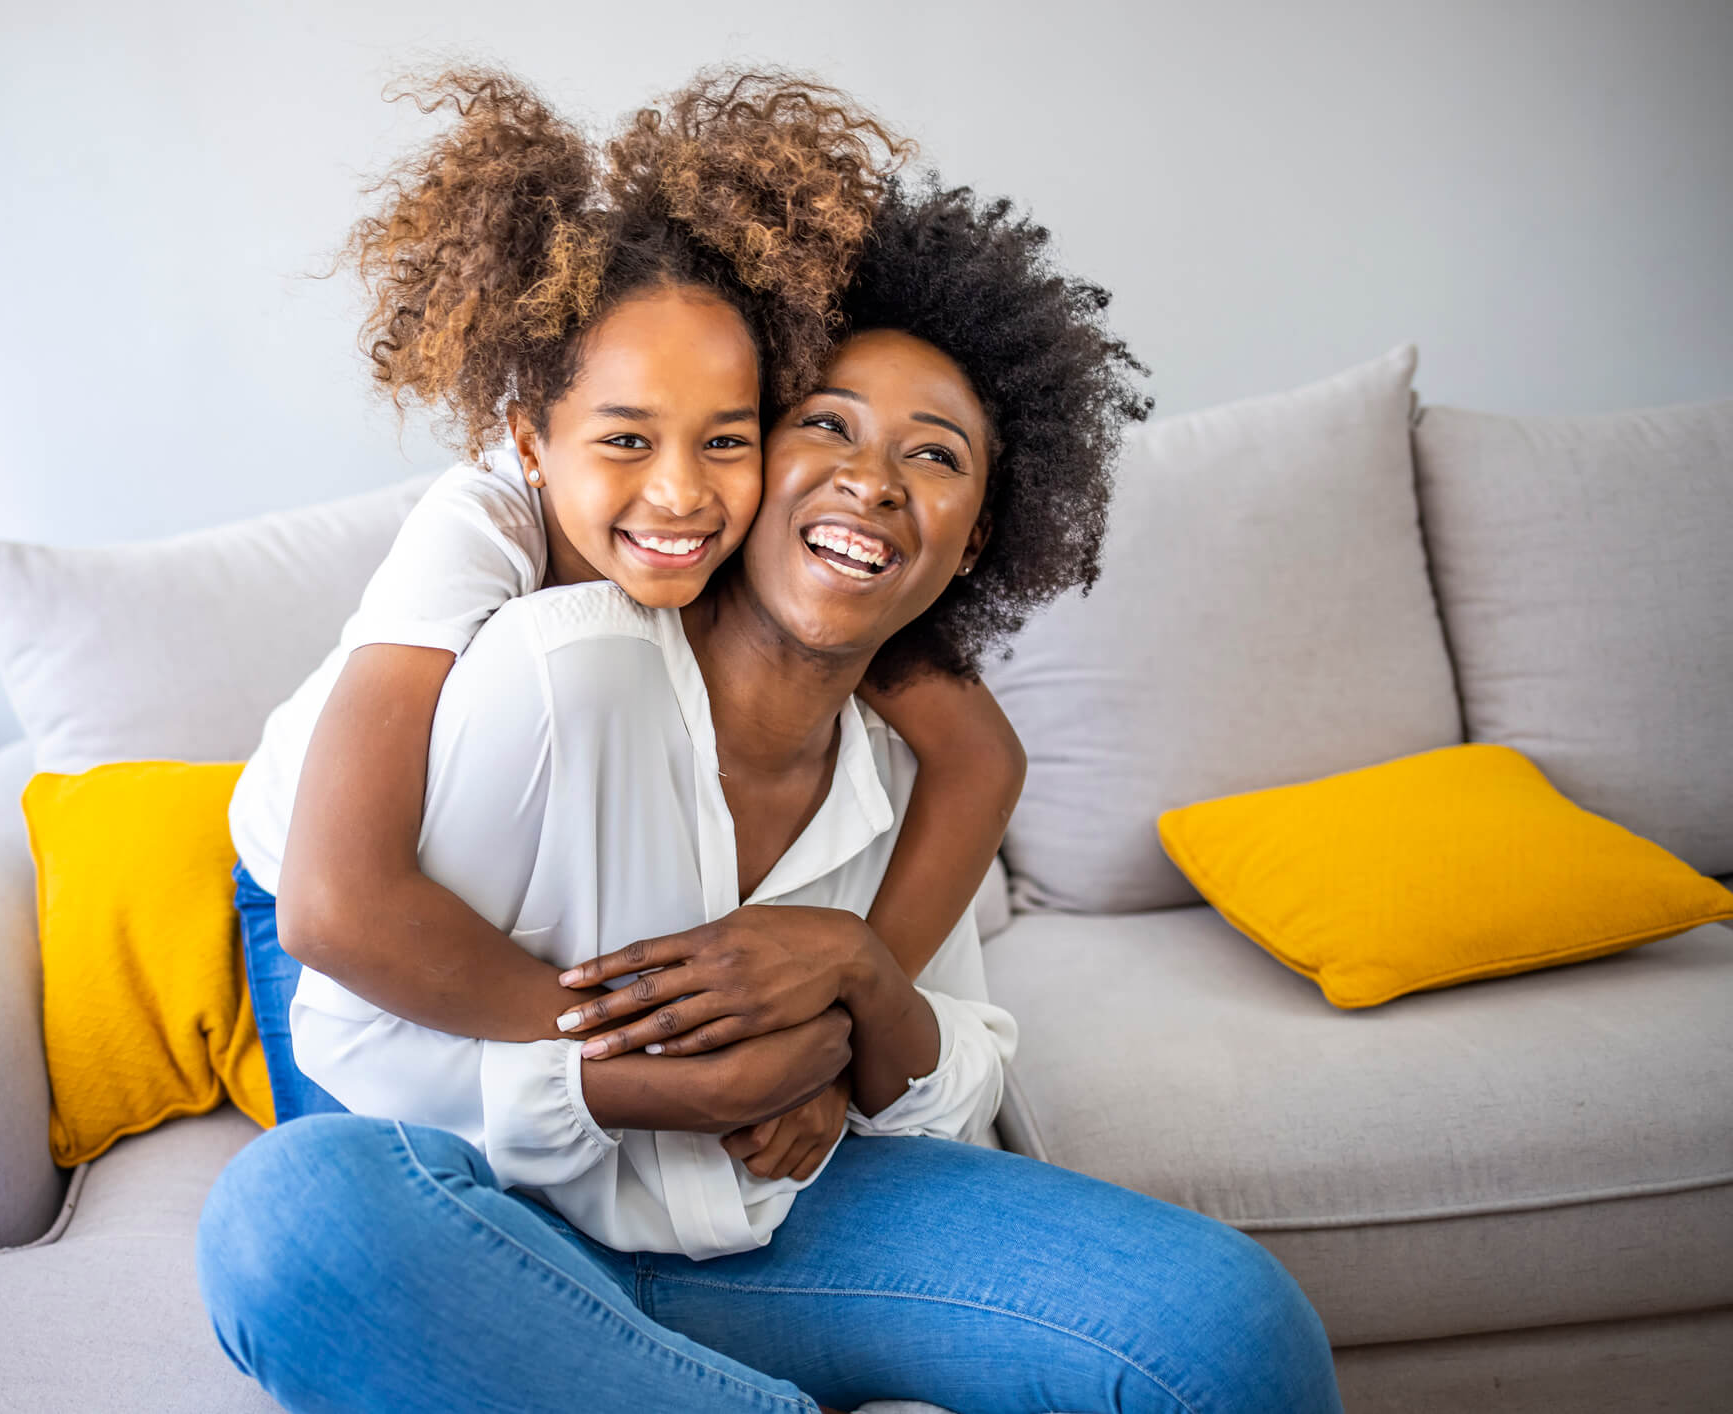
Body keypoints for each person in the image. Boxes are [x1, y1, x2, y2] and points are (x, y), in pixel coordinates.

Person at [195, 177, 1343, 1414]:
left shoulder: (910, 754)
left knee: (1227, 1332)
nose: (873, 478)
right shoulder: (535, 644)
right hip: (489, 1171)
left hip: (744, 1220)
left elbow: (948, 1071)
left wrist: (856, 979)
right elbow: (348, 973)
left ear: (975, 538)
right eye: (827, 426)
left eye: (934, 455)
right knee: (295, 1219)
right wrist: (672, 1079)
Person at [224, 69, 1030, 1182]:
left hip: (496, 887)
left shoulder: (774, 552)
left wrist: (829, 1038)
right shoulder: (479, 531)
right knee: (381, 1190)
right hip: (306, 869)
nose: (678, 496)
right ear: (527, 441)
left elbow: (977, 751)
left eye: (726, 437)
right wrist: (647, 1062)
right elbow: (335, 902)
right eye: (623, 442)